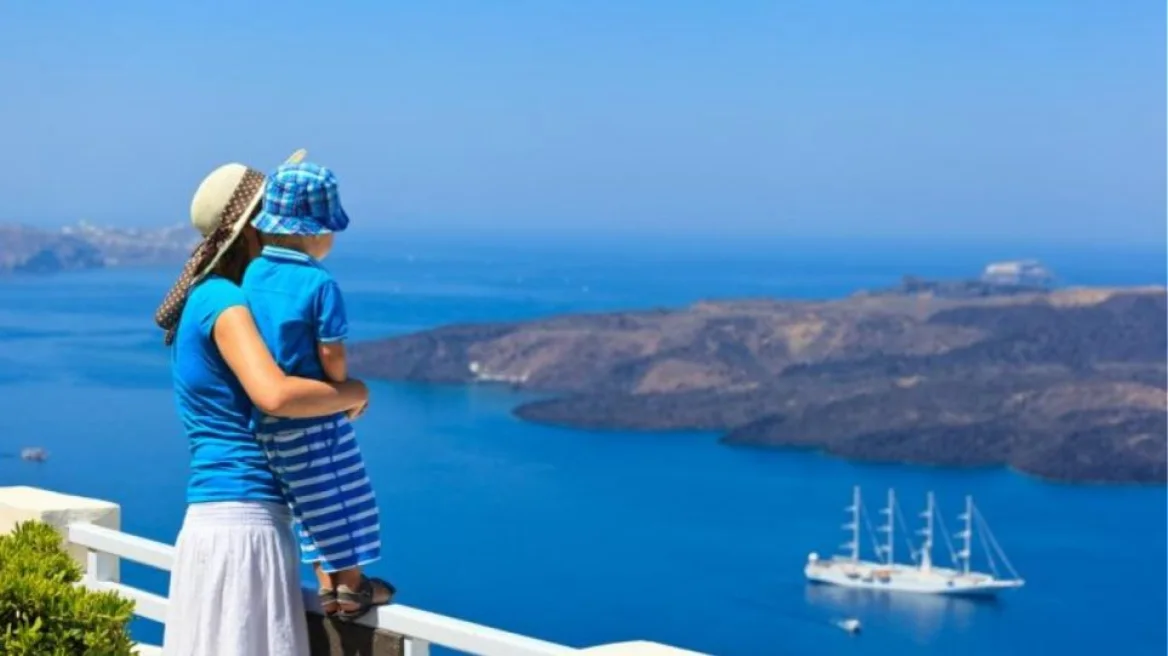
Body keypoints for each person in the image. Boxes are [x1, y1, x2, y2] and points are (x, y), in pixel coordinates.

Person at [155, 151, 370, 656]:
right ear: (255, 228)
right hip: (245, 523)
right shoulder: (224, 302)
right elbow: (274, 395)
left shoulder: (203, 298)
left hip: (216, 522)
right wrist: (354, 392)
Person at [243, 161, 393, 621]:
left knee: (307, 502)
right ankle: (351, 589)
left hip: (269, 421)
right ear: (316, 233)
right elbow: (331, 353)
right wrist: (344, 390)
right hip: (314, 412)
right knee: (344, 496)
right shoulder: (319, 283)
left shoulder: (252, 275)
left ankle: (328, 587)